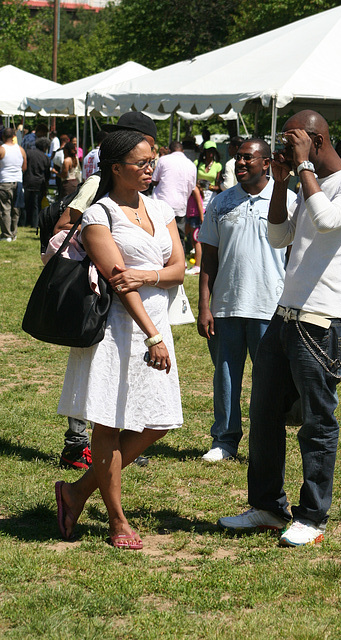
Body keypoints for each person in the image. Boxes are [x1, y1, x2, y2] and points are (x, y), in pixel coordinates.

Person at [218, 110, 341, 546]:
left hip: (322, 320)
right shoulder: (304, 184)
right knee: (264, 415)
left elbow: (326, 221)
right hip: (285, 315)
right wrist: (282, 182)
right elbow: (280, 237)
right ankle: (267, 507)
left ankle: (312, 518)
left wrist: (302, 170)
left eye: (292, 140)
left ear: (316, 141)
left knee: (317, 423)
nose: (285, 149)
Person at [55, 130, 185, 547]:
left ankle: (75, 492)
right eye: (142, 163)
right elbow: (119, 283)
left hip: (156, 326)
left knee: (159, 422)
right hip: (116, 331)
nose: (151, 168)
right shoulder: (99, 215)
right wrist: (151, 336)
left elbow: (179, 269)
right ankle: (117, 521)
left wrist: (148, 275)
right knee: (109, 424)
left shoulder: (162, 208)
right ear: (116, 169)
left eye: (153, 160)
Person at [54, 112, 160, 470]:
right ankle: (77, 442)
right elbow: (66, 224)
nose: (149, 161)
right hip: (99, 298)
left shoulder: (146, 194)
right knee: (94, 375)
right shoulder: (97, 186)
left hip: (136, 300)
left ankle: (118, 441)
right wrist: (94, 242)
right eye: (143, 154)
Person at [197, 139, 294, 462]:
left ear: (266, 163)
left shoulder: (288, 201)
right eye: (237, 157)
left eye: (247, 158)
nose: (240, 163)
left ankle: (263, 443)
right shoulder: (221, 203)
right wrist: (204, 306)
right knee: (225, 378)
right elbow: (209, 257)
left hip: (271, 307)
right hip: (226, 306)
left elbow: (295, 259)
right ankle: (224, 440)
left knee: (268, 382)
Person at [152, 140, 200, 251]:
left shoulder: (163, 160)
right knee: (179, 238)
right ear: (182, 151)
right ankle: (180, 263)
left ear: (169, 150)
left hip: (161, 205)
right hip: (180, 207)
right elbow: (192, 188)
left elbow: (154, 180)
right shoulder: (191, 165)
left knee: (160, 237)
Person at [0, 128, 26, 242]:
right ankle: (14, 232)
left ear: (3, 137)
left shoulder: (2, 149)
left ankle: (6, 234)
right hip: (18, 181)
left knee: (5, 209)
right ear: (14, 136)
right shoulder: (21, 149)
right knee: (16, 209)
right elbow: (24, 167)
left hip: (5, 181)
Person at [23, 136, 50, 229]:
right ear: (45, 147)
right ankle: (35, 223)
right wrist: (46, 184)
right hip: (39, 182)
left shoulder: (28, 153)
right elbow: (47, 174)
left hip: (27, 180)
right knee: (36, 204)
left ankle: (24, 222)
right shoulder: (45, 157)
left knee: (26, 203)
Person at [195, 142, 222, 210]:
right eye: (209, 150)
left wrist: (208, 186)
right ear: (204, 151)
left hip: (211, 196)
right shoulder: (197, 163)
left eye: (213, 150)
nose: (211, 152)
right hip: (198, 194)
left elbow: (218, 186)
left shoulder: (218, 166)